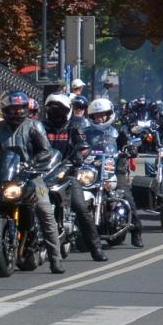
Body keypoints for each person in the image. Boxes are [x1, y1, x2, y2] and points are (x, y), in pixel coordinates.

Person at [0, 90, 64, 275]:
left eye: (21, 108)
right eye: (13, 109)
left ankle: (55, 260)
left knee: (45, 210)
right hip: (2, 178)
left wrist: (32, 165)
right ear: (5, 109)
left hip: (31, 177)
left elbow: (46, 151)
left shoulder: (35, 127)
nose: (17, 113)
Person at [40, 92, 108, 263]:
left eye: (60, 110)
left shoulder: (74, 127)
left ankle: (96, 249)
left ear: (68, 111)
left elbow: (84, 146)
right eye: (52, 110)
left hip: (66, 174)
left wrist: (79, 156)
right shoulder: (39, 127)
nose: (56, 113)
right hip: (42, 175)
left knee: (81, 208)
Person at [84, 97, 144, 247]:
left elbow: (129, 144)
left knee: (126, 196)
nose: (101, 118)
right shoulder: (86, 132)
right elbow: (79, 145)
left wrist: (130, 149)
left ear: (110, 114)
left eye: (104, 114)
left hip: (115, 169)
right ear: (92, 116)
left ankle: (136, 230)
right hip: (92, 169)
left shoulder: (118, 131)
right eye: (97, 115)